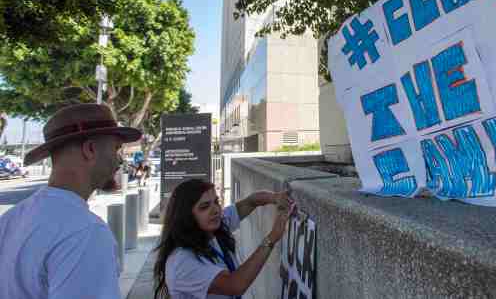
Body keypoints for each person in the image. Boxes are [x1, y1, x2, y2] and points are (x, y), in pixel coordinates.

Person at [0, 104, 142, 299]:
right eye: (116, 148)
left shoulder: (10, 219)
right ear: (90, 149)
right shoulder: (86, 231)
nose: (120, 161)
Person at [153, 179, 294, 299]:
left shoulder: (213, 227)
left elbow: (251, 202)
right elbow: (235, 285)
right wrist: (272, 237)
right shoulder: (181, 261)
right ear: (186, 217)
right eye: (204, 207)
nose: (215, 210)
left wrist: (275, 198)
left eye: (216, 202)